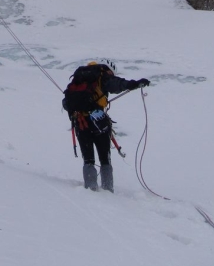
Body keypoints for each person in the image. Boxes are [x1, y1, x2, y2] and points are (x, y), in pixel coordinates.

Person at [62, 61, 150, 192]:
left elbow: (66, 103)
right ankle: (108, 191)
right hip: (99, 122)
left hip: (80, 122)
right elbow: (118, 84)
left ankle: (91, 189)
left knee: (88, 159)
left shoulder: (79, 79)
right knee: (105, 159)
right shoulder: (102, 76)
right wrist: (135, 84)